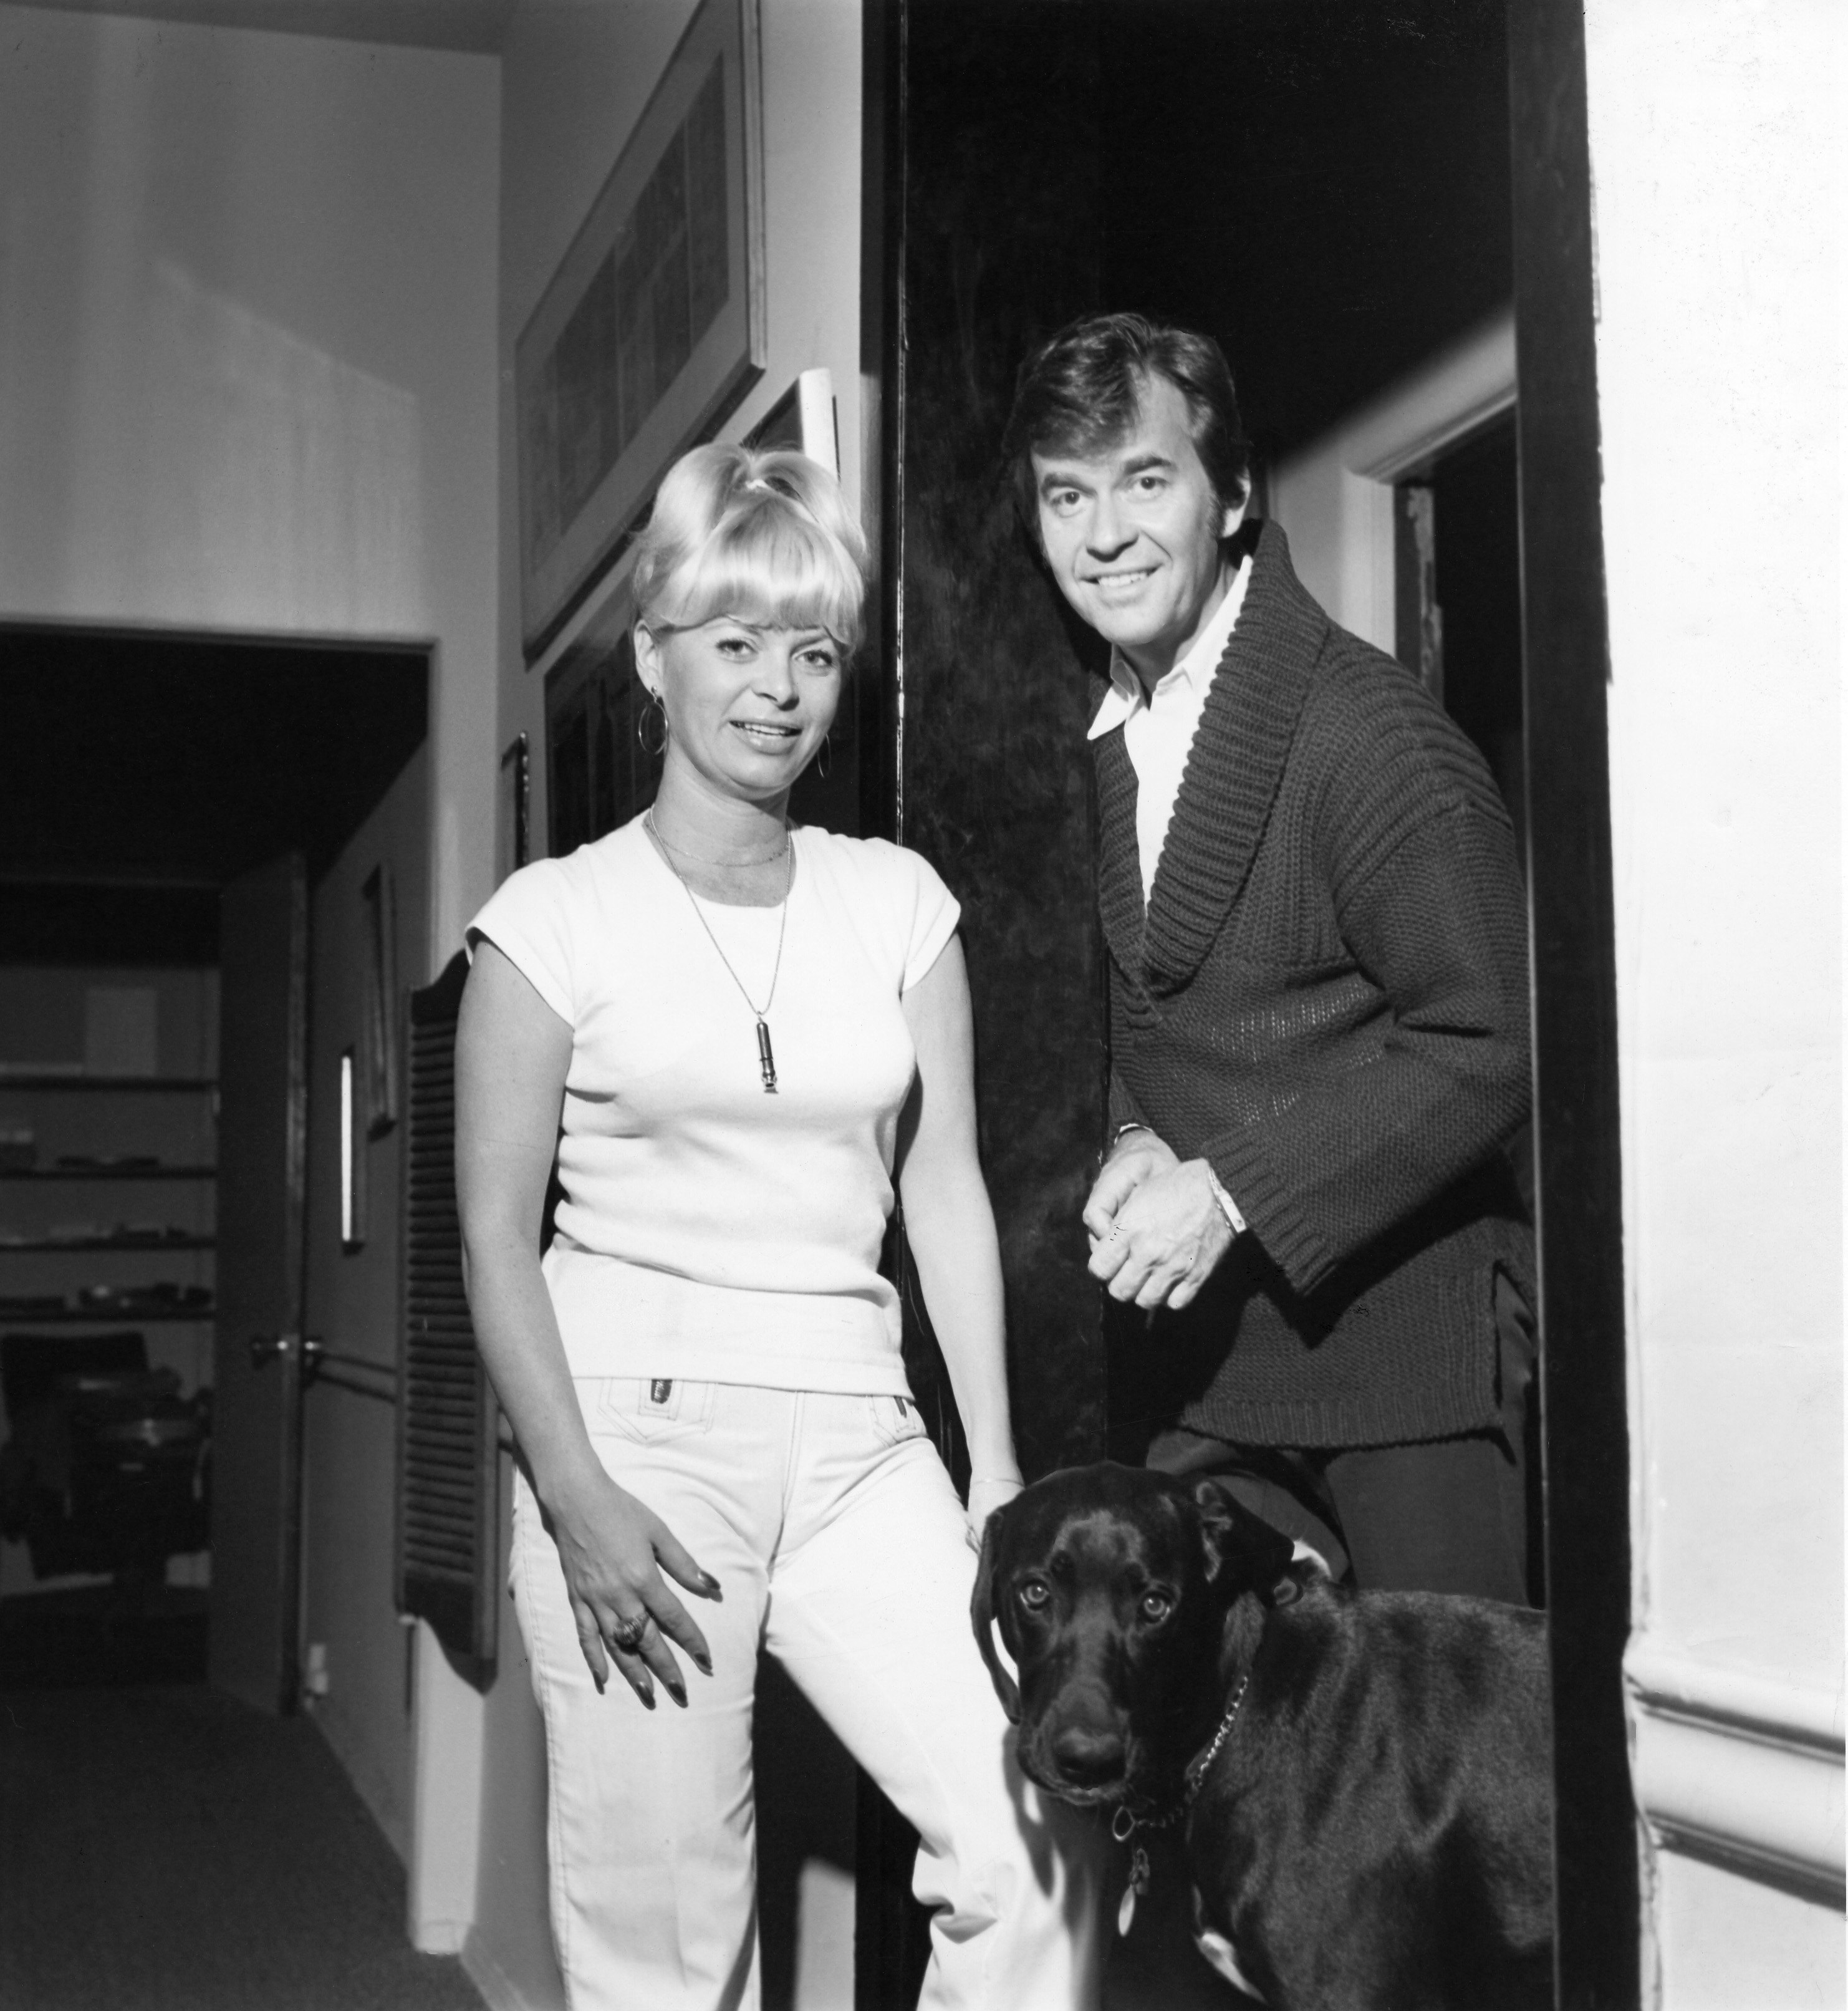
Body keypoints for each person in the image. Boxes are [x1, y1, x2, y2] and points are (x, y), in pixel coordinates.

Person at [455, 442, 1099, 2011]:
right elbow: (490, 1232)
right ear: (656, 652)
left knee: (1038, 1866)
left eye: (813, 650)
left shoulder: (899, 901)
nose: (777, 690)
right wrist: (575, 1491)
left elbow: (941, 1187)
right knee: (669, 1946)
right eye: (737, 643)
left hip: (867, 1442)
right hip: (633, 1447)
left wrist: (996, 1466)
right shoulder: (552, 920)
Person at [1002, 312, 1536, 1603]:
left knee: (1446, 1782)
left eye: (1147, 480)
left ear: (1233, 494)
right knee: (1209, 1784)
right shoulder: (1082, 735)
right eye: (1067, 495)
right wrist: (1131, 1135)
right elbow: (1155, 1009)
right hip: (1212, 1382)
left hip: (1410, 1375)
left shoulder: (1372, 738)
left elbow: (1495, 1036)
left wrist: (1229, 1190)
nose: (1106, 535)